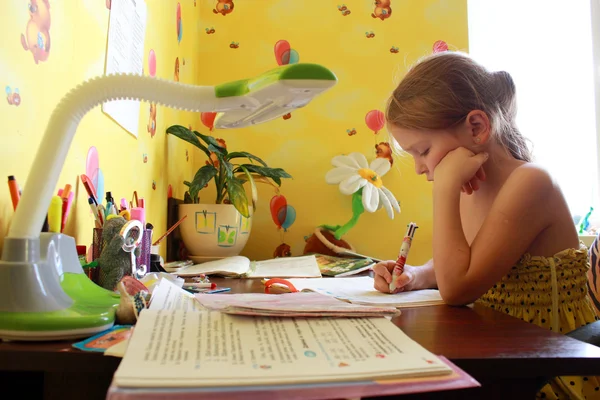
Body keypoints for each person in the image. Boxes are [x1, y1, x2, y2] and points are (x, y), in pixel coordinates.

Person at [373, 51, 600, 400]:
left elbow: (457, 288)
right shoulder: (471, 185)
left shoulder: (530, 184)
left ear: (477, 127)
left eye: (423, 150)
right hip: (499, 354)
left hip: (550, 371)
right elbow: (464, 263)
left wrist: (446, 189)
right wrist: (414, 276)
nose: (420, 167)